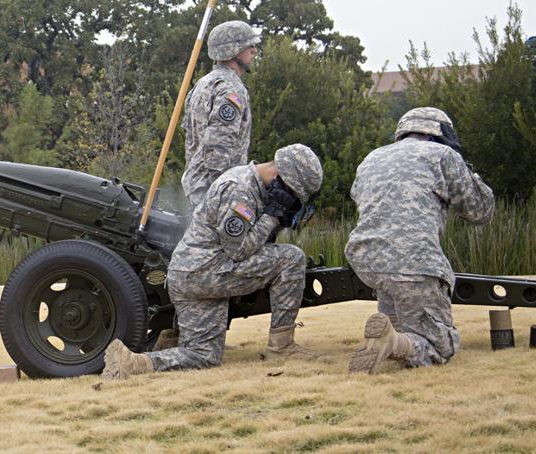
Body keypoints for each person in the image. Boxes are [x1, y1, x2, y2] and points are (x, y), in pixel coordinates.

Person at [102, 144, 324, 380]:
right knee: (291, 259)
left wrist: (275, 219)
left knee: (204, 356)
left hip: (194, 275)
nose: (292, 202)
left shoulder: (251, 185)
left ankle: (133, 363)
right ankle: (281, 346)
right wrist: (271, 217)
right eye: (292, 194)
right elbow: (238, 251)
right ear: (279, 178)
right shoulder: (239, 190)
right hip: (207, 272)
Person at [345, 107, 495, 374]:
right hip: (415, 262)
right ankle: (393, 342)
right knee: (441, 346)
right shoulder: (442, 155)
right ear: (443, 133)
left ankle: (391, 334)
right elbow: (480, 211)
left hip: (367, 260)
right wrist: (465, 169)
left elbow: (361, 199)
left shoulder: (371, 159)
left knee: (402, 320)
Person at [181, 21, 260, 211]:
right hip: (213, 192)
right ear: (234, 50)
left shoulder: (203, 83)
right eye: (249, 46)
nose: (254, 51)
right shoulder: (230, 89)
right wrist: (224, 198)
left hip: (197, 186)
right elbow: (218, 149)